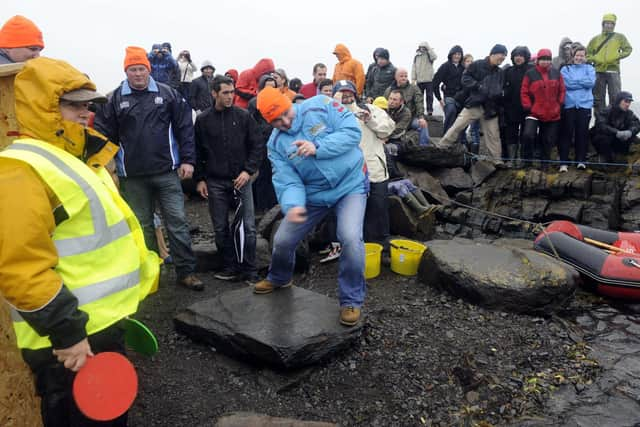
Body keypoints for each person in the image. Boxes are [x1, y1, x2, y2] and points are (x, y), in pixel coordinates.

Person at [0, 56, 159, 426]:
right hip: (68, 344)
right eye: (73, 105)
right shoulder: (20, 169)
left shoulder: (78, 158)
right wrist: (67, 333)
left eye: (88, 105)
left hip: (96, 329)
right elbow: (21, 267)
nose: (85, 114)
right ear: (44, 107)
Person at [254, 86, 368, 327]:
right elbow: (287, 180)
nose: (285, 122)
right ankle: (279, 277)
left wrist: (319, 148)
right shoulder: (275, 145)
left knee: (350, 238)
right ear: (269, 122)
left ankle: (351, 300)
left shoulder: (320, 104)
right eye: (277, 120)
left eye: (286, 113)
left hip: (350, 185)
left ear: (288, 102)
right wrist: (294, 205)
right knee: (283, 239)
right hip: (314, 196)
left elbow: (352, 132)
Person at [95, 46, 202, 291]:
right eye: (132, 69)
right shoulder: (114, 99)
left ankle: (186, 272)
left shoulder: (167, 94)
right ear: (126, 71)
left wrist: (188, 160)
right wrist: (108, 169)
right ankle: (153, 274)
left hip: (166, 171)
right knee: (142, 226)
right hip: (132, 176)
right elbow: (103, 133)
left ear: (148, 69)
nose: (138, 74)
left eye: (141, 68)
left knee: (177, 221)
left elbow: (185, 127)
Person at [195, 76, 264, 283]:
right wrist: (199, 180)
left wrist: (248, 171)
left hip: (241, 179)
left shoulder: (244, 117)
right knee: (220, 227)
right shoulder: (202, 120)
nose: (230, 96)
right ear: (214, 93)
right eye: (225, 92)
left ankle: (250, 269)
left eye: (232, 92)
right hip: (215, 180)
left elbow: (258, 145)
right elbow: (197, 151)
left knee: (248, 226)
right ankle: (230, 266)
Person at [334, 80, 395, 248]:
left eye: (349, 92)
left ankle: (380, 246)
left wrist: (369, 120)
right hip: (347, 174)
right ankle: (350, 248)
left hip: (375, 170)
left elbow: (388, 129)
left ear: (355, 93)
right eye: (341, 93)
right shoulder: (330, 114)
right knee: (349, 215)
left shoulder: (370, 109)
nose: (346, 96)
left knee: (378, 211)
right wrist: (334, 106)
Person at [436, 44, 508, 165]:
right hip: (475, 104)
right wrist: (478, 86)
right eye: (501, 56)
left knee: (493, 135)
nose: (503, 58)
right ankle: (441, 147)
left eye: (504, 57)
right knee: (457, 126)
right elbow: (465, 78)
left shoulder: (500, 72)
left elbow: (501, 88)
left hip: (491, 108)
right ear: (493, 54)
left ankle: (496, 161)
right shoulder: (477, 65)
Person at [520, 48, 566, 170]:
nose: (545, 62)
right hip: (534, 112)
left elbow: (562, 90)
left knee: (548, 139)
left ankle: (544, 163)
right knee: (528, 135)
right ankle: (527, 161)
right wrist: (528, 106)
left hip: (552, 113)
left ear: (550, 61)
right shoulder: (530, 74)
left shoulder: (557, 73)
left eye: (547, 59)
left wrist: (559, 103)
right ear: (538, 60)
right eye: (542, 59)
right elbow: (524, 91)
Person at [587, 13, 633, 114]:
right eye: (606, 23)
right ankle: (600, 122)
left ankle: (614, 122)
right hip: (598, 71)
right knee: (598, 98)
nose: (608, 25)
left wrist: (617, 56)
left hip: (613, 71)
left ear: (614, 25)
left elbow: (628, 49)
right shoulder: (595, 39)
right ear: (602, 24)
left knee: (616, 97)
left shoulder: (620, 37)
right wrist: (596, 59)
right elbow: (588, 54)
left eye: (611, 23)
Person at [560, 44, 595, 171]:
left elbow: (590, 83)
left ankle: (581, 160)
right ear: (573, 56)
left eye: (582, 55)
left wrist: (575, 82)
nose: (579, 58)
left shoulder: (590, 68)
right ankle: (563, 162)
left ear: (585, 57)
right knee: (566, 133)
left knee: (582, 133)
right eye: (577, 55)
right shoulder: (565, 69)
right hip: (569, 105)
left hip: (585, 105)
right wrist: (582, 82)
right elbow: (565, 84)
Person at [502, 46, 533, 165]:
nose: (518, 58)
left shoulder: (531, 70)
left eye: (521, 55)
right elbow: (503, 88)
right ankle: (511, 159)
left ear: (526, 57)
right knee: (511, 134)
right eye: (516, 56)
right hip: (511, 108)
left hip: (527, 109)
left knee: (526, 135)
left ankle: (523, 159)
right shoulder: (508, 71)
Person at [590, 91, 640, 163]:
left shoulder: (629, 113)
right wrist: (616, 132)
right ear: (619, 100)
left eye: (629, 102)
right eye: (626, 101)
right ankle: (603, 157)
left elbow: (637, 124)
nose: (628, 104)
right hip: (603, 143)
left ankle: (621, 157)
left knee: (634, 138)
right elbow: (600, 125)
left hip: (618, 142)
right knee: (603, 138)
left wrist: (630, 132)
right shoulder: (606, 111)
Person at [384, 68, 429, 146]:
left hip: (411, 117)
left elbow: (419, 102)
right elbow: (384, 104)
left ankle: (424, 147)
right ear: (396, 77)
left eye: (406, 76)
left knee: (422, 125)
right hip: (393, 117)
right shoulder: (389, 90)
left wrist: (421, 117)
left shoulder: (414, 88)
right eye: (401, 76)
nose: (404, 78)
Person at [432, 45, 464, 134]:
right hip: (449, 97)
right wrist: (439, 99)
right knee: (451, 111)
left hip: (461, 97)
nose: (457, 56)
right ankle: (446, 137)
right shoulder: (445, 66)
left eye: (459, 54)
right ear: (451, 54)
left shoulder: (463, 68)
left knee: (463, 116)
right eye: (455, 54)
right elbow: (435, 83)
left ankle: (461, 141)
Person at [411, 41, 438, 115]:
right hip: (419, 80)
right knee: (419, 97)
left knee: (429, 96)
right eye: (421, 47)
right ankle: (420, 111)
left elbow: (435, 57)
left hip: (429, 79)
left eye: (424, 47)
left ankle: (430, 110)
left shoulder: (429, 55)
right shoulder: (416, 56)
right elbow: (414, 67)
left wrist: (429, 48)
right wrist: (413, 78)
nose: (422, 49)